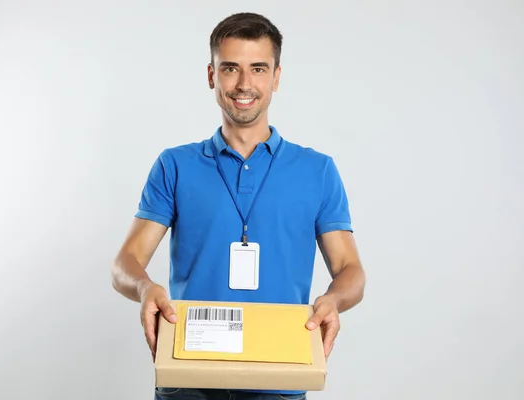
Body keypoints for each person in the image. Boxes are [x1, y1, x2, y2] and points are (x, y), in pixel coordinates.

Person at [112, 12, 366, 400]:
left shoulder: (317, 170)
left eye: (258, 68)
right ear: (212, 76)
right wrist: (145, 288)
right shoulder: (175, 165)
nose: (244, 84)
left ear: (277, 77)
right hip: (189, 379)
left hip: (280, 375)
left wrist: (333, 299)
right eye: (230, 68)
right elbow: (125, 262)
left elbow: (350, 270)